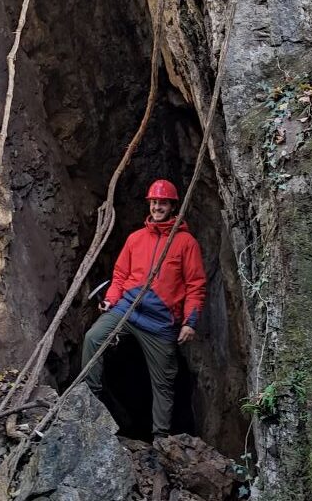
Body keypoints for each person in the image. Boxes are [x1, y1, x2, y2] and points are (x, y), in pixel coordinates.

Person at [81, 179, 207, 437]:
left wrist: (189, 322)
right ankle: (89, 401)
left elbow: (196, 285)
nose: (157, 207)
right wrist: (111, 300)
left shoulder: (186, 243)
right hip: (127, 309)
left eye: (163, 203)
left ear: (172, 206)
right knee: (93, 339)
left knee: (163, 383)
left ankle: (160, 438)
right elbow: (119, 275)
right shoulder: (135, 239)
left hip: (160, 323)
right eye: (154, 202)